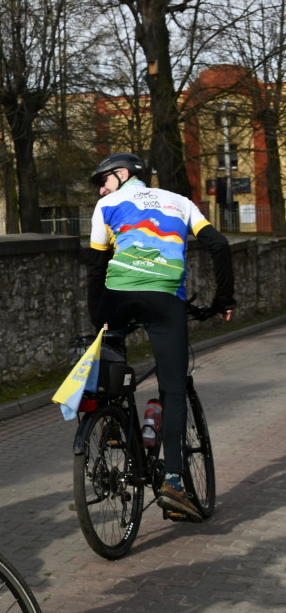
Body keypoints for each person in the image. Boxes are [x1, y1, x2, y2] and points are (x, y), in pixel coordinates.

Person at [86, 152, 235, 521]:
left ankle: (112, 422)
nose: (101, 189)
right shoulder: (181, 202)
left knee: (111, 351)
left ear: (123, 175)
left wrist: (100, 320)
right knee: (172, 389)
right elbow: (219, 246)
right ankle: (173, 482)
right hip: (166, 299)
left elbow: (96, 268)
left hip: (117, 297)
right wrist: (223, 300)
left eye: (103, 180)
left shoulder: (108, 205)